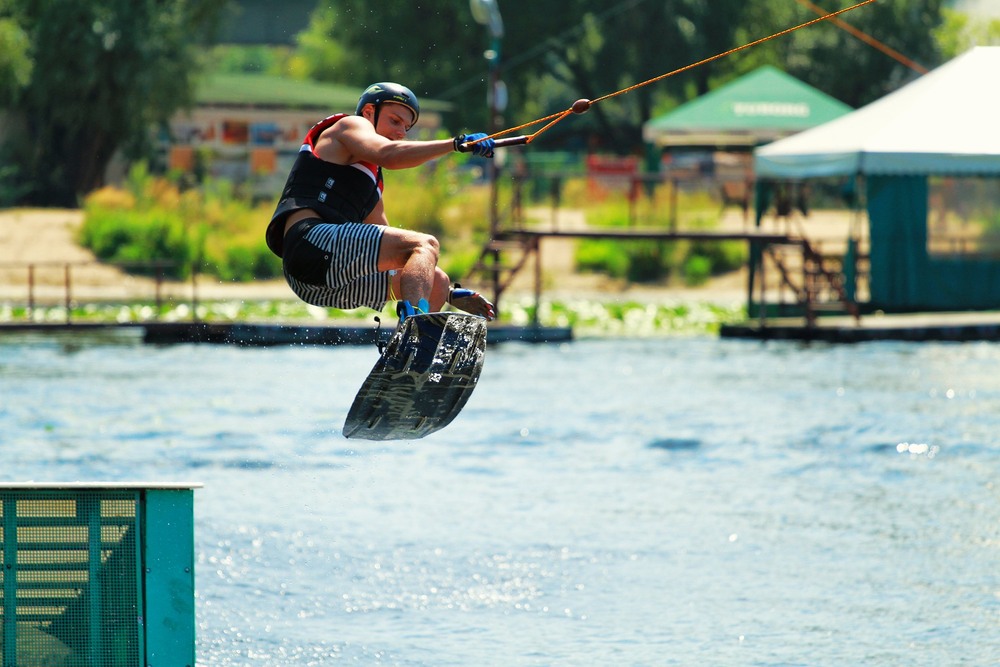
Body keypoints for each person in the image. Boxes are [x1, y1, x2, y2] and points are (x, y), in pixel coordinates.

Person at [265, 82, 497, 322]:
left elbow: (389, 245)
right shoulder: (350, 125)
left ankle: (417, 355)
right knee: (426, 244)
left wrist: (448, 294)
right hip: (309, 245)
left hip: (321, 282)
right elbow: (389, 154)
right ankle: (415, 328)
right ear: (368, 112)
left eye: (406, 127)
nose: (401, 132)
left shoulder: (370, 181)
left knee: (437, 281)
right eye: (395, 121)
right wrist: (455, 144)